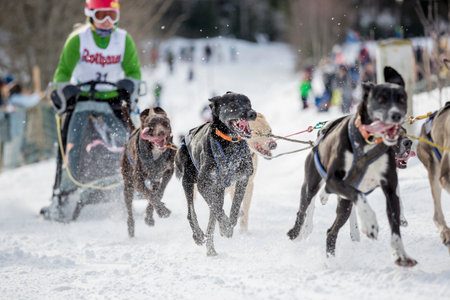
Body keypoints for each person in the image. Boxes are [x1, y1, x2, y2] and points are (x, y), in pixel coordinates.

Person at [41, 0, 142, 220]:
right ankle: (61, 194)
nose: (107, 22)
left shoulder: (123, 40)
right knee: (70, 143)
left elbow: (134, 71)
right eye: (102, 16)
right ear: (90, 15)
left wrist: (128, 85)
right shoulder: (78, 39)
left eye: (112, 16)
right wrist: (66, 90)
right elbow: (62, 74)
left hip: (113, 102)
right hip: (82, 100)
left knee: (128, 139)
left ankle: (134, 184)